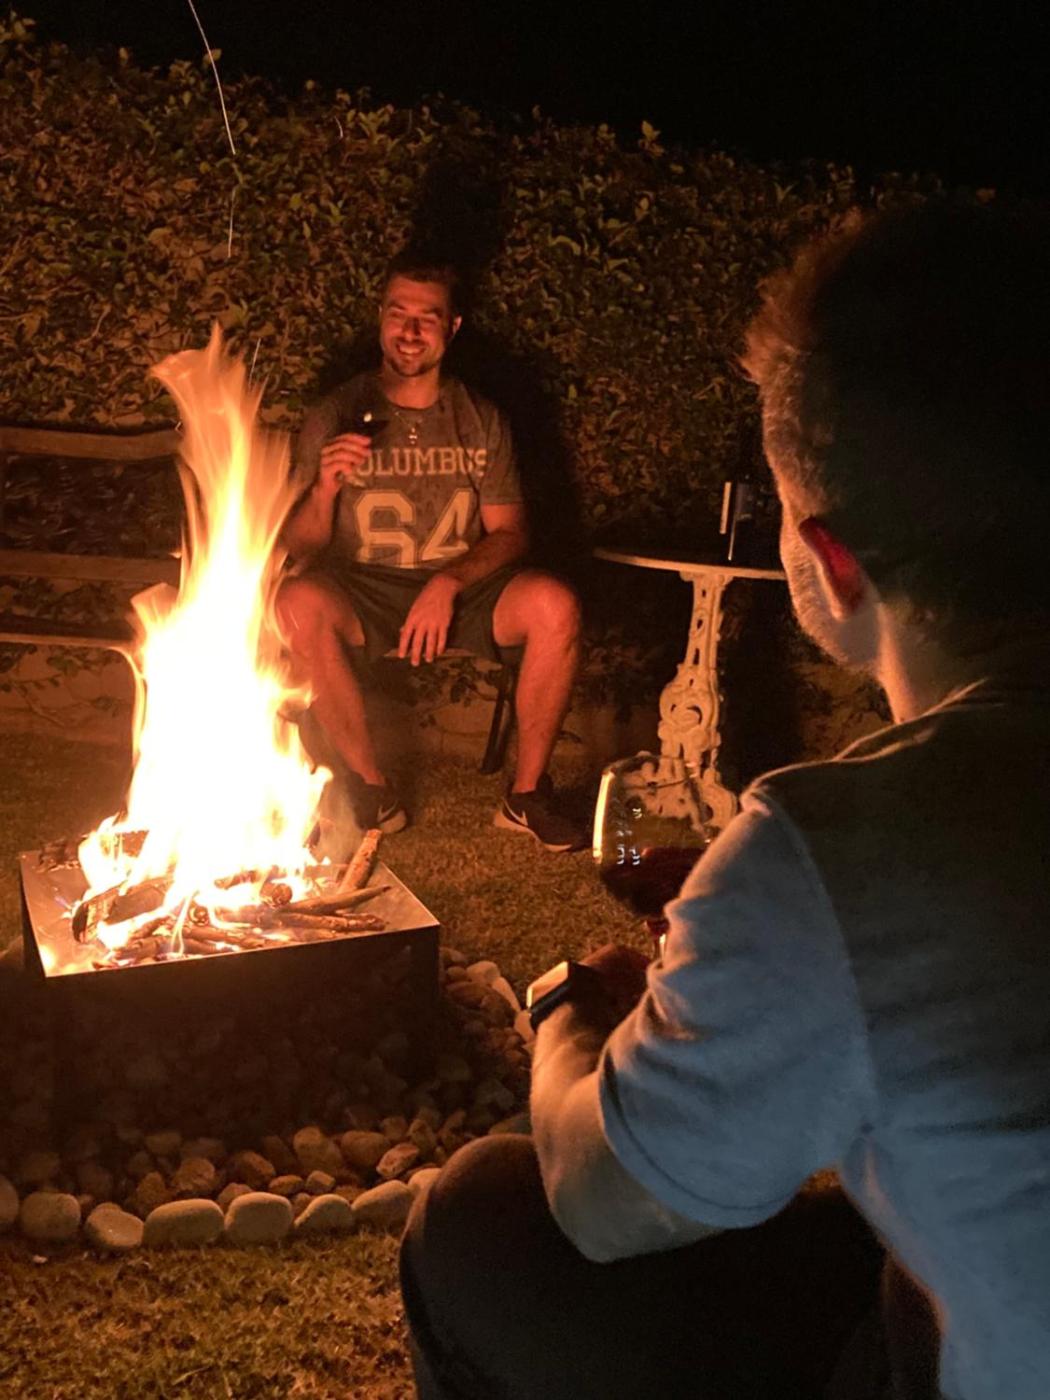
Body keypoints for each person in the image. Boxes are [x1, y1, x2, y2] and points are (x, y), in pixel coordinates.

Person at [399, 203, 1050, 1399]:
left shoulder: (848, 851)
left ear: (829, 564)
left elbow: (602, 1199)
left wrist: (567, 1009)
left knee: (478, 1213)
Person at [279, 250, 584, 851]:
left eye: (428, 317)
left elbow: (512, 531)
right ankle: (371, 786)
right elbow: (300, 545)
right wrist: (324, 489)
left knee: (556, 604)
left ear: (452, 326)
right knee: (295, 602)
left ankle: (526, 796)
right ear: (381, 318)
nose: (411, 330)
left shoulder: (479, 418)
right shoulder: (337, 412)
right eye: (399, 313)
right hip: (365, 586)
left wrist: (448, 583)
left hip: (461, 588)